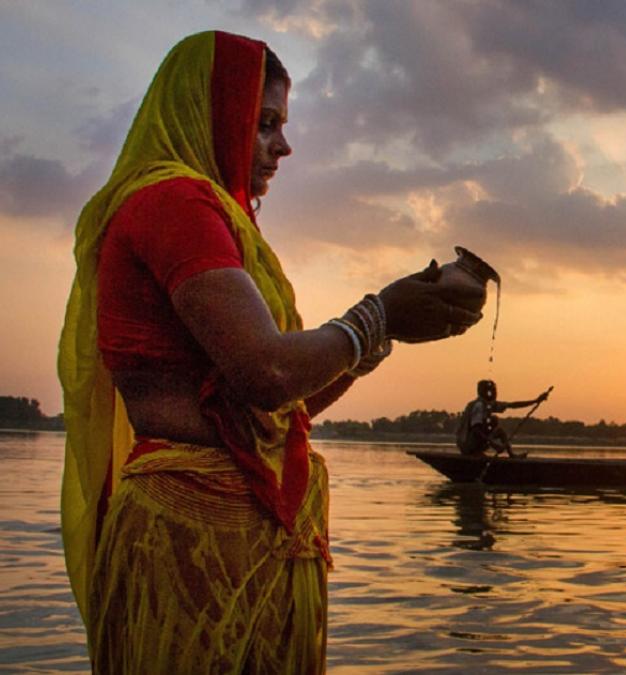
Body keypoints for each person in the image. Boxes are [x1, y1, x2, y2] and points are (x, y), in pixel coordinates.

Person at [58, 31, 484, 673]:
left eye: (280, 125)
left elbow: (283, 407)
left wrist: (382, 335)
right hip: (192, 541)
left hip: (253, 537)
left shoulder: (222, 220)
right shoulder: (173, 202)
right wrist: (378, 315)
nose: (283, 146)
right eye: (263, 124)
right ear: (209, 116)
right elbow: (269, 371)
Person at [456, 380, 549, 457]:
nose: (495, 393)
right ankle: (474, 452)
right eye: (493, 390)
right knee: (493, 422)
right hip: (467, 445)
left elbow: (513, 405)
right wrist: (494, 444)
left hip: (472, 442)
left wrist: (536, 400)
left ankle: (511, 454)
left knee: (498, 428)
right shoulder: (479, 405)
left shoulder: (489, 404)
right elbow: (476, 430)